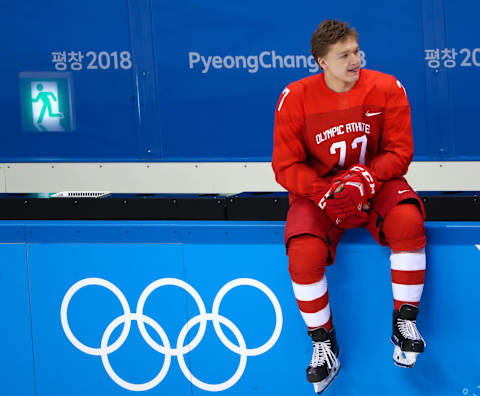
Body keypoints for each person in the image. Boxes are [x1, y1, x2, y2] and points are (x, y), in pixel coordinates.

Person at [272, 19, 427, 394]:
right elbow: (285, 165)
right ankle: (324, 345)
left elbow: (400, 151)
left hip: (374, 185)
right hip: (321, 195)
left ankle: (404, 323)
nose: (355, 60)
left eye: (356, 51)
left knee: (407, 220)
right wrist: (323, 189)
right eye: (344, 55)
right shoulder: (295, 97)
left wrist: (367, 178)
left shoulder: (387, 87)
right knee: (304, 252)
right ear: (321, 61)